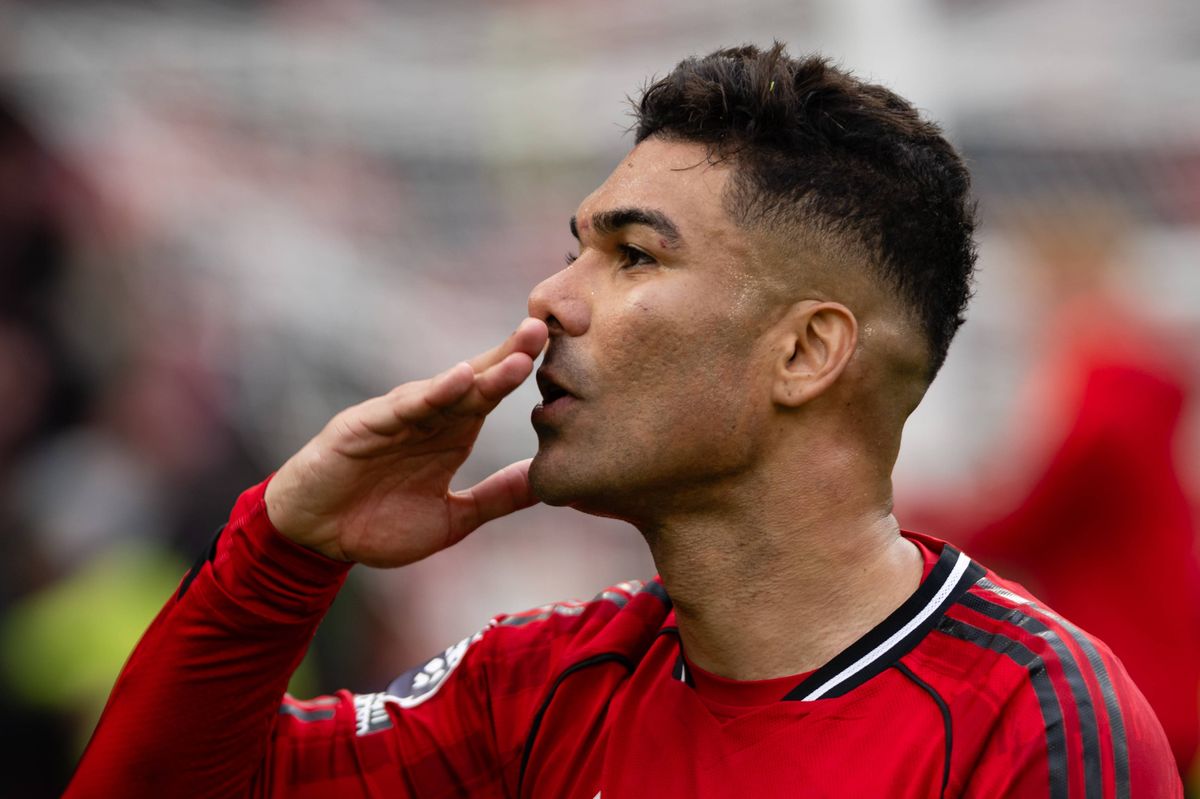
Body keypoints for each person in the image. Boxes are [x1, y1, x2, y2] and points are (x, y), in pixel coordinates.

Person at [64, 43, 1180, 798]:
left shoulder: (1027, 726)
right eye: (573, 246)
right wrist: (279, 556)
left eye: (635, 253)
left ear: (805, 351)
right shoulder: (536, 686)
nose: (552, 298)